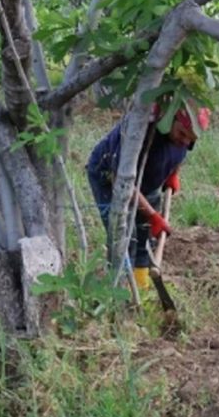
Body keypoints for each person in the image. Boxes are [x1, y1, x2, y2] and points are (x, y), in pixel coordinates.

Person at [86, 97, 210, 290]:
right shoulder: (141, 131)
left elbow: (182, 151)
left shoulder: (185, 134)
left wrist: (173, 174)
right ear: (169, 120)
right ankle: (117, 288)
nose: (185, 141)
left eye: (191, 139)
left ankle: (140, 284)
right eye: (182, 134)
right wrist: (153, 215)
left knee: (145, 233)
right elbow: (122, 181)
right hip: (110, 178)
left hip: (146, 179)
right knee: (124, 235)